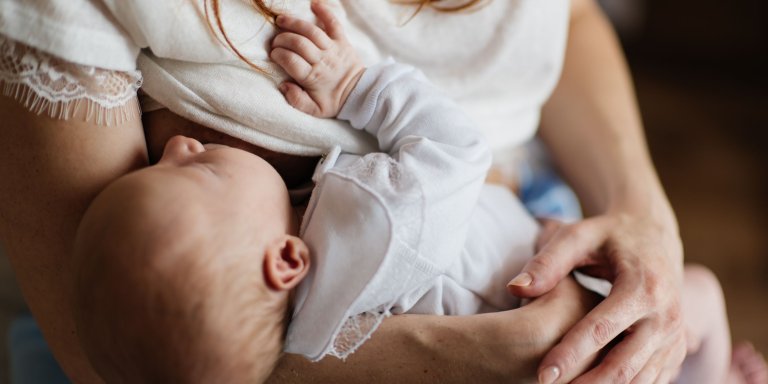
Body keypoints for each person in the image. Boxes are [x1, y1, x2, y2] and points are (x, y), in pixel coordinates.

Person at [0, 0, 708, 382]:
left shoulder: (264, 310)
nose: (180, 149)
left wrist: (644, 210)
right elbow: (456, 151)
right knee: (699, 300)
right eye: (200, 167)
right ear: (286, 260)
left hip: (535, 242)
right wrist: (357, 88)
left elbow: (572, 16)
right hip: (536, 278)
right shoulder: (363, 219)